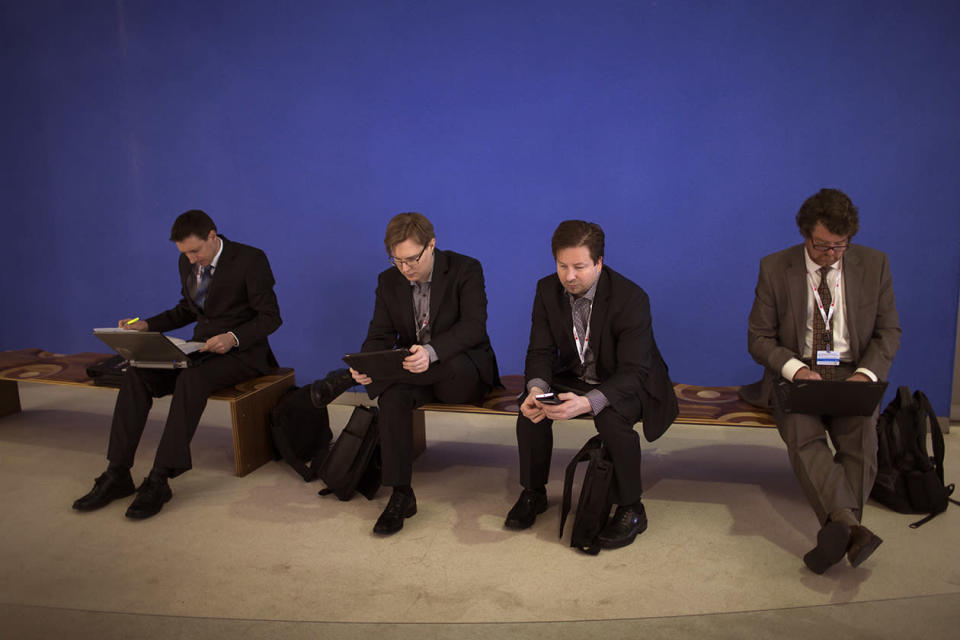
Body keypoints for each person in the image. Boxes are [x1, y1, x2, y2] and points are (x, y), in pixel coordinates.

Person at [73, 209, 282, 518]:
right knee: (136, 373)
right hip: (201, 350)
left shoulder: (251, 259)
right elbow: (187, 309)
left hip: (243, 354)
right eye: (184, 253)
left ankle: (160, 478)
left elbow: (270, 317)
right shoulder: (187, 260)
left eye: (195, 251)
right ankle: (117, 471)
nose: (191, 258)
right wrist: (147, 325)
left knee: (191, 380)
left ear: (213, 236)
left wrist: (233, 337)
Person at [742, 188, 900, 573]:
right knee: (802, 431)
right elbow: (759, 338)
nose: (830, 254)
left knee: (861, 435)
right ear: (805, 233)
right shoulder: (775, 268)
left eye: (839, 247)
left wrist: (866, 374)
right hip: (798, 371)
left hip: (852, 373)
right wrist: (797, 369)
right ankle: (852, 528)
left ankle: (842, 529)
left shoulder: (874, 265)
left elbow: (888, 331)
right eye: (822, 245)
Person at [505, 220, 677, 550]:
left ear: (599, 262)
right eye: (562, 265)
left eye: (580, 267)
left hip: (629, 379)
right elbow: (539, 351)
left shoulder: (631, 298)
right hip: (576, 373)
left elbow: (634, 370)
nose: (569, 276)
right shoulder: (546, 290)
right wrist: (536, 390)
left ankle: (632, 507)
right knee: (531, 410)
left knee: (610, 419)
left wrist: (587, 403)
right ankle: (533, 492)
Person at [349, 212, 500, 535]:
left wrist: (430, 353)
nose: (405, 268)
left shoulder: (465, 269)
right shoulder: (388, 281)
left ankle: (351, 381)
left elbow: (474, 327)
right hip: (414, 376)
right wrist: (366, 365)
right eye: (397, 261)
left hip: (461, 374)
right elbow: (379, 334)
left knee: (423, 372)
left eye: (412, 259)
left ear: (432, 245)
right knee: (391, 397)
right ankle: (401, 494)